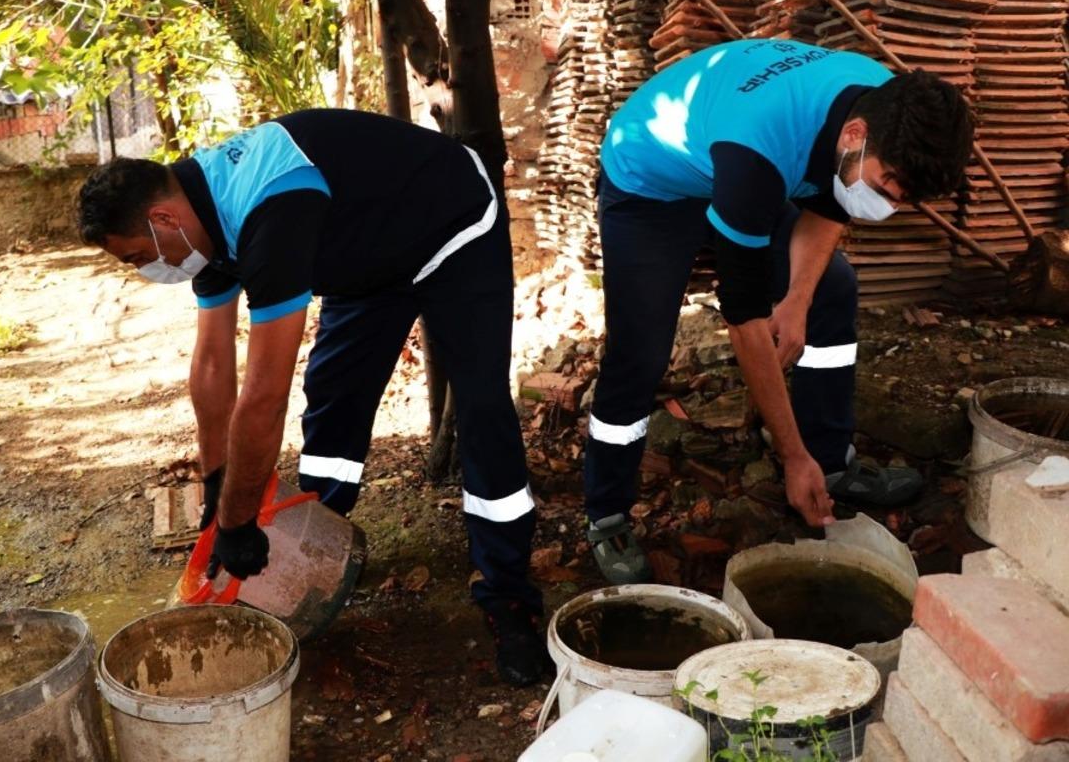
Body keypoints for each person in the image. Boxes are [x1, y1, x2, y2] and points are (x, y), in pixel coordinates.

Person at [77, 109, 552, 686]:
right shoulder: (201, 221)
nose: (143, 269)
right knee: (333, 395)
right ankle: (317, 535)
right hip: (364, 252)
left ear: (162, 219)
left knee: (481, 408)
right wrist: (217, 488)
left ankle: (509, 595)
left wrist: (237, 522)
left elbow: (263, 394)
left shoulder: (271, 211)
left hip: (449, 225)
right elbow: (211, 369)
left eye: (136, 256)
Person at [585, 39, 973, 583]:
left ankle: (830, 461)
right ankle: (606, 512)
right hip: (653, 184)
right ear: (855, 137)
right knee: (640, 351)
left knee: (831, 287)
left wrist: (797, 300)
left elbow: (829, 204)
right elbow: (744, 322)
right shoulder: (757, 154)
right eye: (887, 188)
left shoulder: (880, 101)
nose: (887, 207)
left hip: (732, 150)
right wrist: (789, 456)